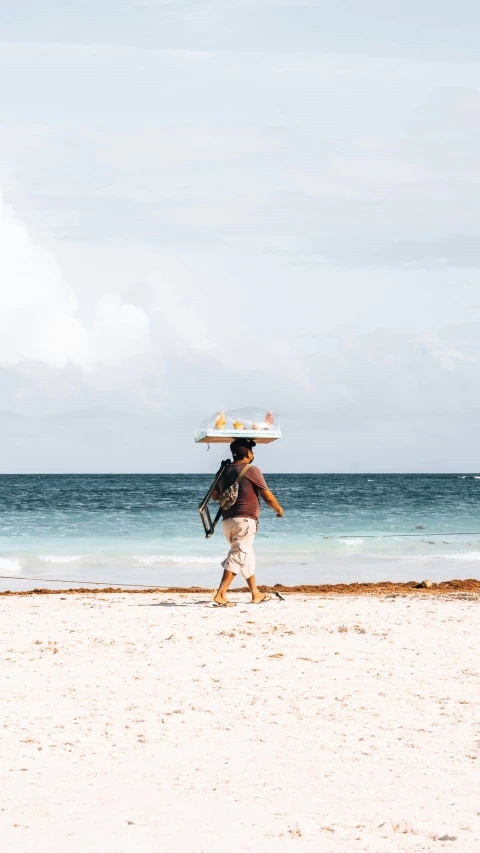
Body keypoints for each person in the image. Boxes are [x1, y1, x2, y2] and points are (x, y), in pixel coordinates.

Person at [211, 438, 283, 606]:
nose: (252, 453)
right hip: (244, 521)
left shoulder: (223, 471)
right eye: (251, 450)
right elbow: (267, 496)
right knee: (239, 555)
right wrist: (278, 509)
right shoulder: (251, 470)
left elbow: (215, 496)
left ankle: (255, 593)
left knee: (246, 555)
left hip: (228, 521)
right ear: (248, 453)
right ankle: (220, 594)